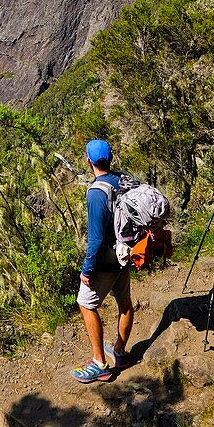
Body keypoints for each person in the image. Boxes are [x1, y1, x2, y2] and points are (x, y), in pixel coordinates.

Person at [71, 139, 134, 384]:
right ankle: (119, 351)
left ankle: (99, 363)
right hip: (124, 254)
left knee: (86, 304)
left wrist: (87, 269)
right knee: (125, 303)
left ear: (89, 160)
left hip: (106, 260)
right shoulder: (121, 180)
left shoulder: (97, 192)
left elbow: (95, 240)